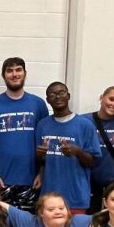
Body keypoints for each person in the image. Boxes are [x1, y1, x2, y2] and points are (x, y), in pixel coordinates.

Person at [0, 57, 50, 204]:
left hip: (31, 181)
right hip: (1, 181)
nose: (14, 74)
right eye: (9, 71)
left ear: (25, 73)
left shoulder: (38, 104)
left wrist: (42, 173)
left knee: (27, 226)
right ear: (3, 75)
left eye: (18, 70)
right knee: (2, 226)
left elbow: (45, 143)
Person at [35, 81, 101, 214]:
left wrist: (77, 152)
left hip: (75, 196)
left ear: (68, 96)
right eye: (52, 94)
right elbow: (41, 162)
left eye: (61, 93)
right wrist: (40, 155)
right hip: (49, 196)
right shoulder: (42, 125)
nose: (58, 97)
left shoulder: (85, 125)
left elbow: (93, 161)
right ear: (47, 100)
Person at [87, 86, 114, 213]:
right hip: (89, 182)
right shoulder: (84, 120)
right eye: (111, 99)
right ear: (101, 98)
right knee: (90, 221)